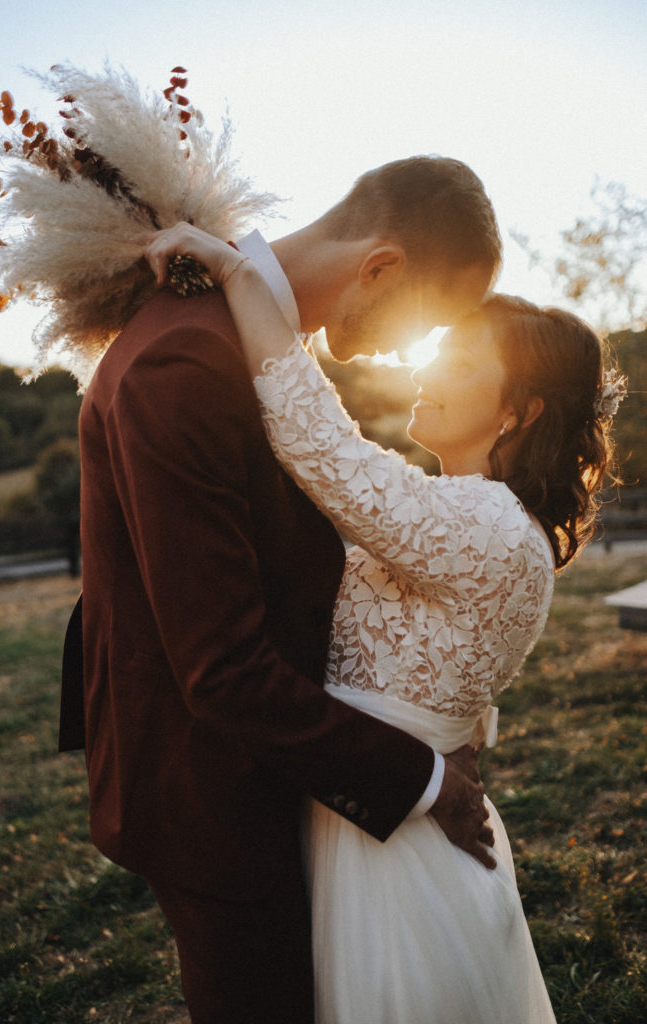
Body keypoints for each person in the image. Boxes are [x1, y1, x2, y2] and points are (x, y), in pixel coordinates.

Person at [141, 220, 622, 1024]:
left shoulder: (487, 524)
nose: (427, 374)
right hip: (382, 805)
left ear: (520, 411)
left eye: (460, 363)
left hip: (390, 855)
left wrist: (239, 271)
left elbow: (319, 443)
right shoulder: (482, 518)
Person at [59, 156, 504, 1024]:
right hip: (211, 792)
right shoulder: (185, 358)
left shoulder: (249, 339)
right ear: (380, 267)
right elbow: (222, 672)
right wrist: (420, 779)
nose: (406, 351)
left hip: (267, 768)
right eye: (426, 319)